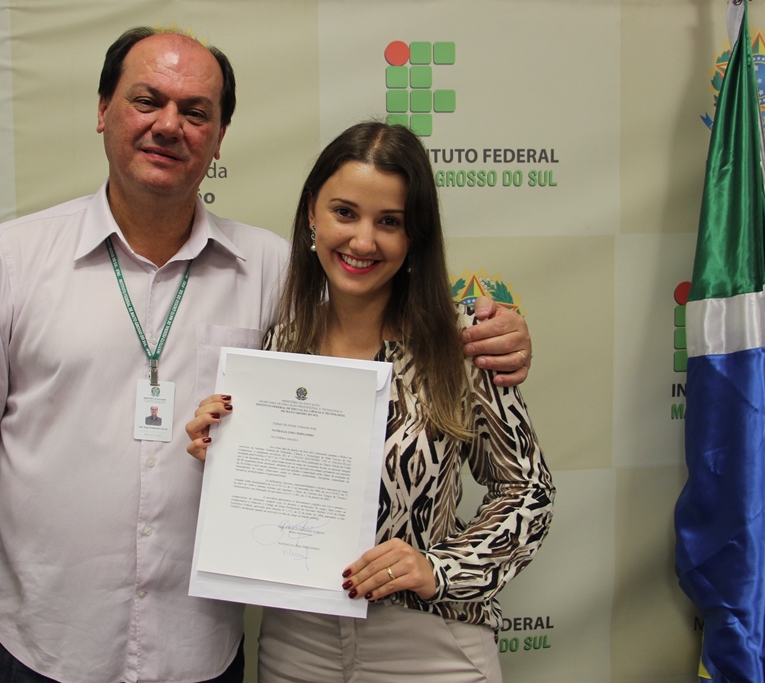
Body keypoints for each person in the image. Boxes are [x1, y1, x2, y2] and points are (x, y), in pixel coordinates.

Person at [0, 26, 534, 683]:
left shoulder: (274, 273)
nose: (169, 125)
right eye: (147, 100)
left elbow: (377, 314)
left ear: (219, 137)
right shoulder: (13, 260)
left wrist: (494, 332)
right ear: (103, 109)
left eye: (195, 112)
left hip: (199, 655)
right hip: (45, 648)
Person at [186, 122, 554, 683]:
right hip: (297, 642)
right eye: (345, 212)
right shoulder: (279, 343)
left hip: (428, 647)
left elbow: (528, 492)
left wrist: (440, 568)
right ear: (313, 213)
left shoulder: (460, 343)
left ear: (414, 236)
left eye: (389, 222)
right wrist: (223, 449)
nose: (363, 241)